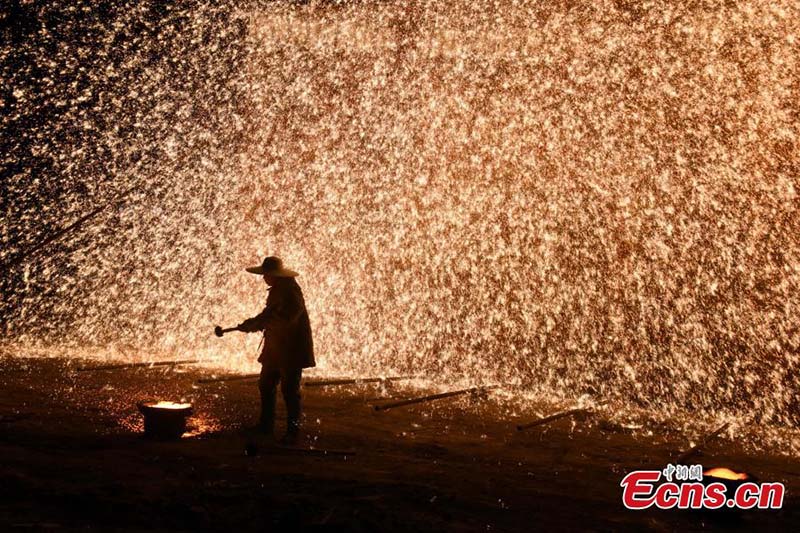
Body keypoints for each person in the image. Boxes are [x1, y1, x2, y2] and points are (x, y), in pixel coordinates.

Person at [236, 256, 314, 444]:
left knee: (289, 391)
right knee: (266, 384)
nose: (263, 278)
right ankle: (265, 426)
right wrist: (252, 323)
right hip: (276, 347)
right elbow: (269, 314)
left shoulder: (291, 291)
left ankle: (292, 433)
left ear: (274, 275)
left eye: (266, 275)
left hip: (291, 349)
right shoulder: (278, 290)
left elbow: (289, 318)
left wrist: (260, 323)